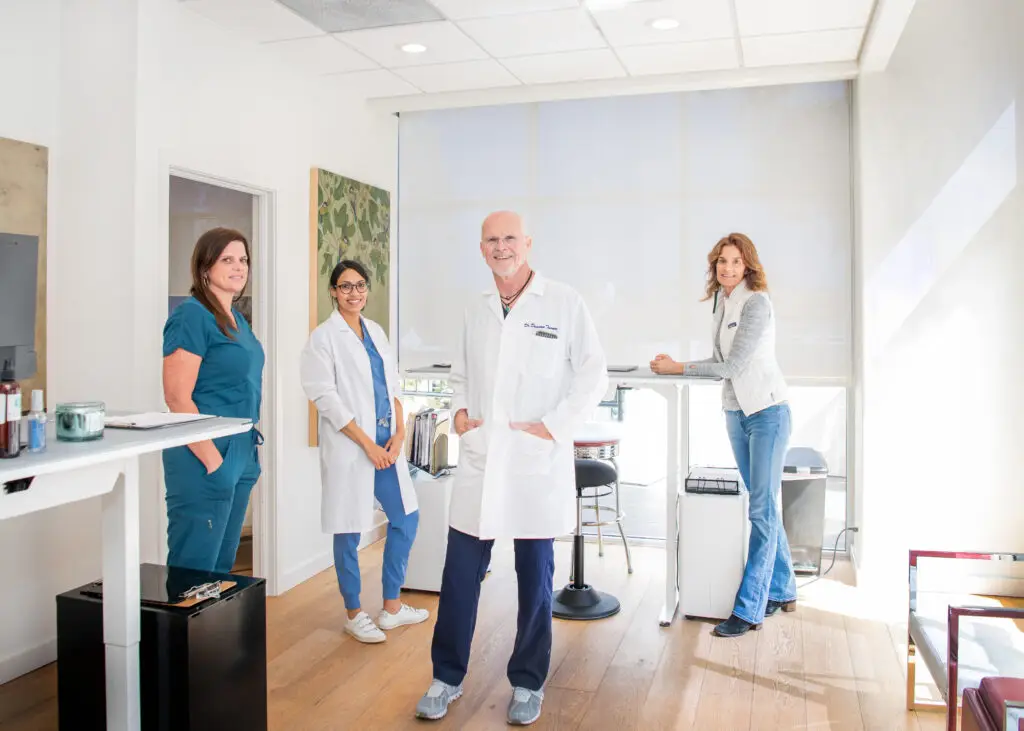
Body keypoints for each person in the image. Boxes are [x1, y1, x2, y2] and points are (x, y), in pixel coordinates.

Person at [415, 211, 608, 726]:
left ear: (527, 244)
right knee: (458, 576)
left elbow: (594, 374)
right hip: (482, 459)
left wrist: (554, 425)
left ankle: (528, 682)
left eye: (509, 239)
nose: (501, 248)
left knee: (535, 579)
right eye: (491, 241)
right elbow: (459, 372)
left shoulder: (563, 302)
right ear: (481, 250)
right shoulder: (476, 308)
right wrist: (458, 414)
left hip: (532, 462)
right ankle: (446, 677)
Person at [650, 232, 795, 638]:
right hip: (737, 413)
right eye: (721, 262)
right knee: (763, 507)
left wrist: (678, 368)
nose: (727, 268)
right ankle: (783, 588)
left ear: (747, 265)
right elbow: (718, 361)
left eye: (735, 261)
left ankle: (749, 609)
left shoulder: (756, 303)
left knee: (761, 513)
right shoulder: (722, 302)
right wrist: (676, 365)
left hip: (767, 413)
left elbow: (730, 367)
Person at [300, 259, 428, 643]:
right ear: (333, 292)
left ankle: (391, 607)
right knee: (348, 527)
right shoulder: (323, 338)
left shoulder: (375, 331)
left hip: (388, 445)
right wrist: (368, 445)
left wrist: (400, 429)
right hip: (353, 447)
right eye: (345, 286)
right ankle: (354, 612)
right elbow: (326, 398)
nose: (354, 292)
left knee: (406, 518)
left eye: (360, 285)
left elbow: (392, 386)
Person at [162, 227, 265, 574]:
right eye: (227, 259)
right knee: (194, 567)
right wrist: (213, 461)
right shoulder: (191, 316)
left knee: (221, 567)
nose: (239, 267)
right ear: (205, 267)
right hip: (204, 451)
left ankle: (214, 632)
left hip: (241, 449)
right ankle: (179, 632)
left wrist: (246, 458)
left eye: (243, 260)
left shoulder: (237, 321)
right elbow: (177, 397)